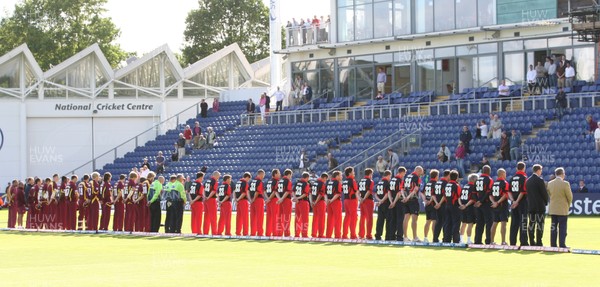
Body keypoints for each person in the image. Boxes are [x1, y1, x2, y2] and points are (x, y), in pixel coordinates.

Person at [547, 168, 572, 248]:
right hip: (562, 209)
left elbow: (550, 195)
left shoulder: (550, 183)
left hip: (553, 209)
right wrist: (567, 204)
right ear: (562, 174)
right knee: (562, 228)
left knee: (553, 227)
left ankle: (553, 244)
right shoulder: (565, 184)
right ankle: (562, 244)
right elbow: (570, 197)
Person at [526, 164, 548, 246]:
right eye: (541, 170)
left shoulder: (528, 180)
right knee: (540, 224)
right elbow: (544, 193)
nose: (541, 172)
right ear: (538, 170)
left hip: (531, 206)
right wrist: (546, 202)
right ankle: (539, 241)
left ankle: (531, 241)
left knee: (531, 224)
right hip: (539, 206)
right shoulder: (540, 180)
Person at [509, 162, 528, 246]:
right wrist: (517, 201)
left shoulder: (512, 178)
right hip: (522, 203)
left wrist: (513, 201)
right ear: (524, 168)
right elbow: (523, 191)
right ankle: (523, 241)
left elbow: (508, 191)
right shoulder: (524, 178)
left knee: (514, 222)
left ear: (517, 168)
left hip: (513, 203)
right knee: (523, 221)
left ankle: (512, 241)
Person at [402, 166, 423, 242]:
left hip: (405, 199)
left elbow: (402, 188)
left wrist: (405, 197)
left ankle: (405, 237)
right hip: (413, 199)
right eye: (421, 171)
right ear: (418, 170)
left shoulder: (407, 176)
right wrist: (408, 197)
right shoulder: (416, 177)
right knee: (414, 219)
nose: (422, 173)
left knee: (406, 218)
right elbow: (415, 189)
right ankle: (415, 237)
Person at [474, 165, 494, 245]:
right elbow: (488, 192)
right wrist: (481, 201)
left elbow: (474, 192)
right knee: (489, 222)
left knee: (479, 223)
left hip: (478, 205)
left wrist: (477, 201)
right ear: (489, 171)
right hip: (486, 203)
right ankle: (488, 240)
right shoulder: (489, 179)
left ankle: (477, 240)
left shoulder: (477, 180)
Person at [490, 169, 509, 245]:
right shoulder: (505, 183)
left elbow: (490, 195)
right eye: (505, 173)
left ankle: (492, 241)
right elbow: (505, 195)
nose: (506, 175)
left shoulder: (494, 184)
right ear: (502, 174)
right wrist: (497, 202)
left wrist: (494, 202)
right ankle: (503, 241)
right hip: (502, 205)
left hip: (495, 206)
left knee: (494, 223)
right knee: (503, 223)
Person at [388, 167, 406, 241]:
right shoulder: (400, 180)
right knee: (400, 219)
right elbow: (399, 193)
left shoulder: (392, 179)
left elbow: (389, 192)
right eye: (404, 173)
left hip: (392, 201)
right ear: (401, 172)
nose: (404, 175)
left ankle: (391, 236)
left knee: (393, 219)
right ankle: (399, 236)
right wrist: (394, 202)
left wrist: (391, 202)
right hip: (398, 202)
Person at [442, 170, 461, 243]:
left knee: (448, 222)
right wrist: (461, 205)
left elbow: (444, 195)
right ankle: (456, 239)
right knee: (456, 223)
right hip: (455, 205)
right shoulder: (456, 185)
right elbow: (458, 196)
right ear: (457, 178)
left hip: (447, 205)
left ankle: (447, 239)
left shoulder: (446, 185)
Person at [459, 174, 478, 244]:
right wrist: (466, 205)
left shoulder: (464, 186)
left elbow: (459, 197)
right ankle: (469, 240)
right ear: (473, 180)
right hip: (469, 207)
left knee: (463, 223)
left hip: (463, 207)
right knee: (470, 223)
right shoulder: (473, 187)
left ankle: (461, 239)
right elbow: (472, 199)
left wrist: (461, 205)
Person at [432, 170, 449, 243]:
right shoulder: (445, 183)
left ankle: (435, 238)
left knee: (438, 222)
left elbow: (433, 194)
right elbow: (445, 195)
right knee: (445, 222)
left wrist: (437, 203)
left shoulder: (437, 183)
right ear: (448, 175)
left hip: (437, 205)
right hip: (443, 205)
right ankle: (445, 239)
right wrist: (440, 203)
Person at [342, 167, 359, 239]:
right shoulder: (352, 181)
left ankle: (344, 234)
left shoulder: (344, 181)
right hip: (352, 200)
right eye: (353, 172)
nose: (354, 173)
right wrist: (358, 201)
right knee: (353, 218)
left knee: (347, 217)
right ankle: (353, 235)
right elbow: (356, 192)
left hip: (346, 200)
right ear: (349, 173)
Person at [421, 170, 438, 243]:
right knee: (434, 221)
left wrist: (425, 200)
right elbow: (433, 194)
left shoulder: (427, 183)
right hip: (432, 204)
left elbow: (422, 193)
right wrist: (430, 201)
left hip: (427, 205)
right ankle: (434, 238)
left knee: (428, 221)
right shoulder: (436, 184)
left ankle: (425, 237)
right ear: (436, 176)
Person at [292, 172, 311, 238]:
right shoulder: (306, 184)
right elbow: (305, 194)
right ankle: (304, 234)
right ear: (307, 177)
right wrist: (298, 198)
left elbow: (293, 191)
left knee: (297, 218)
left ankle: (297, 234)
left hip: (297, 203)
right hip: (303, 202)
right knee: (305, 219)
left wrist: (295, 198)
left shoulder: (297, 183)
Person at [358, 168, 375, 240]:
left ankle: (361, 235)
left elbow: (357, 192)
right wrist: (364, 198)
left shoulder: (361, 181)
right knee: (369, 218)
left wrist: (360, 199)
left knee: (362, 217)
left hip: (362, 201)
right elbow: (369, 191)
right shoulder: (370, 181)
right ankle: (368, 235)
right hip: (368, 201)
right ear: (370, 174)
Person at [374, 170, 391, 241]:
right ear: (388, 175)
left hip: (380, 204)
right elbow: (387, 194)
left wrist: (379, 201)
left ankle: (378, 235)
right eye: (390, 176)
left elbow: (375, 194)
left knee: (380, 220)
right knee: (388, 220)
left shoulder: (379, 183)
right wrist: (382, 201)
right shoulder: (387, 183)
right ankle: (388, 236)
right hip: (386, 203)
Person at [276, 169, 294, 237]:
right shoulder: (288, 181)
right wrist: (282, 199)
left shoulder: (279, 181)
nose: (291, 177)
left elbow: (276, 191)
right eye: (291, 175)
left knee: (280, 217)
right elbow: (287, 191)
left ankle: (279, 233)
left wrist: (279, 199)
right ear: (289, 174)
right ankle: (287, 233)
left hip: (280, 200)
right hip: (286, 200)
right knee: (287, 218)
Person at [325, 170, 343, 239]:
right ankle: (337, 235)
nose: (342, 177)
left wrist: (327, 200)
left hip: (329, 202)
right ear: (337, 176)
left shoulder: (328, 182)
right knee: (337, 219)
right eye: (340, 175)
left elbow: (325, 193)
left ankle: (328, 235)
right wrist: (332, 200)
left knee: (330, 219)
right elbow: (338, 193)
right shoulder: (337, 183)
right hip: (335, 201)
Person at [311, 173, 328, 238]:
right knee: (321, 219)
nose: (325, 181)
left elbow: (310, 193)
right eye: (326, 179)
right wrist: (316, 201)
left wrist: (312, 201)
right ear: (324, 178)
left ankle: (313, 233)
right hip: (320, 202)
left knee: (315, 218)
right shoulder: (322, 184)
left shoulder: (314, 183)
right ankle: (320, 234)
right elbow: (321, 194)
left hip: (314, 201)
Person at [249, 169, 265, 237]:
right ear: (261, 174)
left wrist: (251, 200)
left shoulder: (251, 182)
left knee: (253, 217)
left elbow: (248, 191)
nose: (263, 176)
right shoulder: (259, 182)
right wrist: (254, 199)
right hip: (258, 199)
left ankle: (252, 232)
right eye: (263, 175)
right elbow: (257, 191)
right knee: (260, 216)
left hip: (252, 200)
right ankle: (260, 232)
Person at [265, 169, 280, 237]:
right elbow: (274, 191)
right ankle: (275, 233)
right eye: (278, 173)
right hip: (274, 200)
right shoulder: (276, 181)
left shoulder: (269, 181)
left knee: (269, 217)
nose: (280, 174)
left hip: (269, 201)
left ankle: (268, 233)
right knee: (275, 217)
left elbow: (264, 191)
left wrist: (267, 198)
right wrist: (269, 198)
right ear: (275, 174)